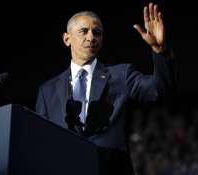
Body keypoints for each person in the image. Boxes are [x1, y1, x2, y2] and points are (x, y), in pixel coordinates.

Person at [35, 3, 177, 175]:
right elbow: (40, 141)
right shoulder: (47, 91)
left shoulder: (121, 75)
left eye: (97, 33)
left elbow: (159, 91)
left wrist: (159, 51)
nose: (91, 37)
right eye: (83, 31)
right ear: (67, 39)